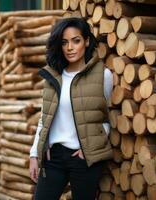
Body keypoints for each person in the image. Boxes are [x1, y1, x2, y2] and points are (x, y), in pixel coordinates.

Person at [29, 17, 113, 200]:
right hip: (54, 156)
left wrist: (88, 148)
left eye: (76, 41)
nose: (70, 48)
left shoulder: (103, 75)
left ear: (87, 41)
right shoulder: (53, 76)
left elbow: (108, 119)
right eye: (64, 42)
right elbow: (45, 119)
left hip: (84, 158)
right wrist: (35, 153)